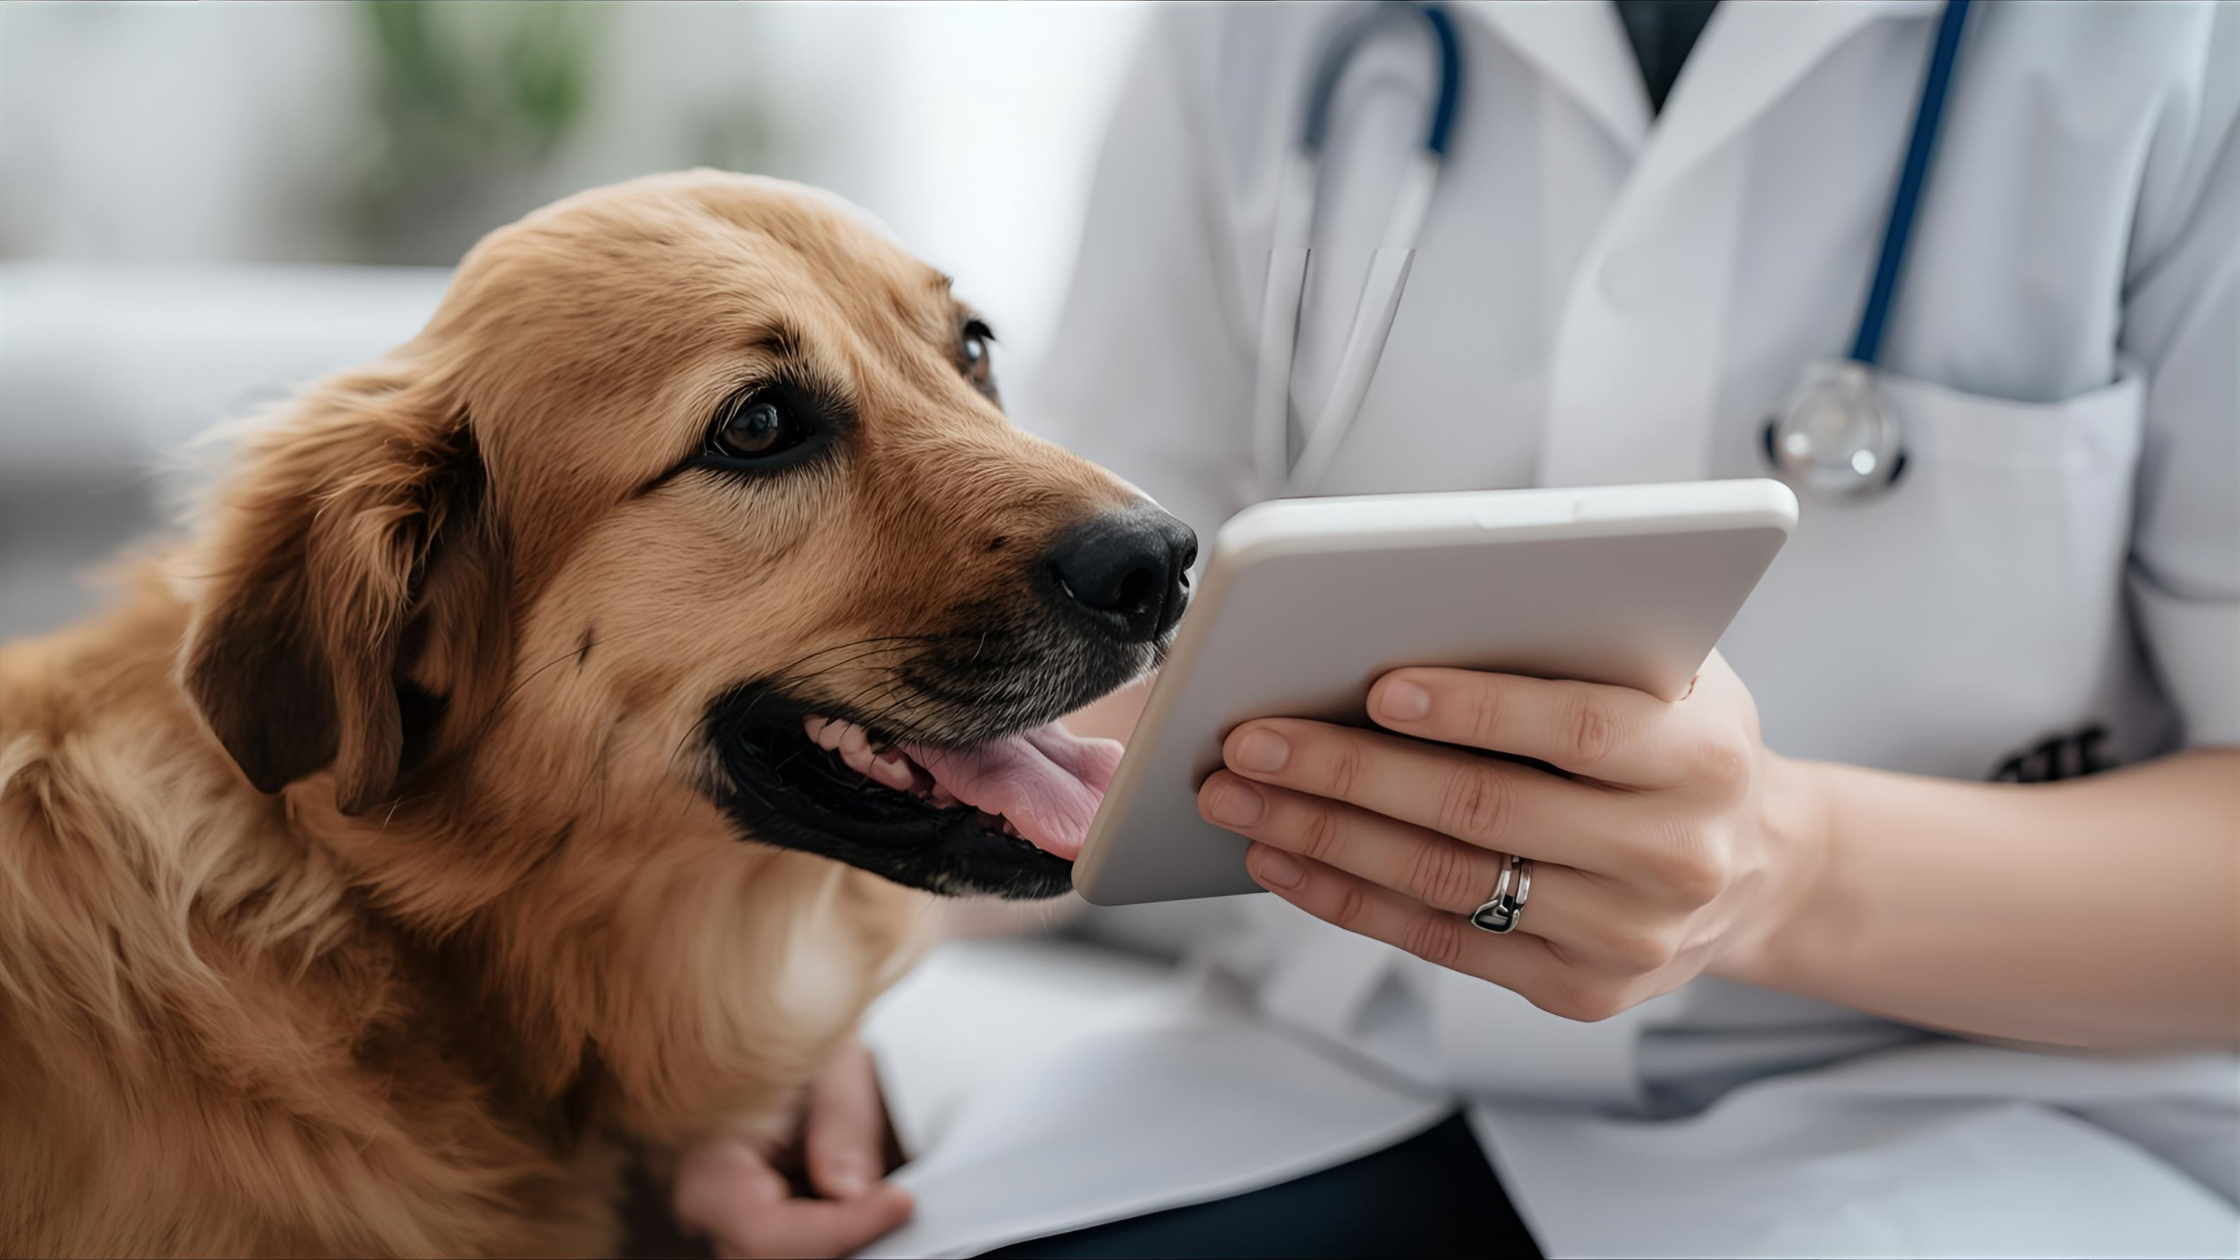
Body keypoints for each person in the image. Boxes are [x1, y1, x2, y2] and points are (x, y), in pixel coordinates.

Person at [676, 2, 2238, 1255]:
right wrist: (800, 998)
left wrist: (1793, 869)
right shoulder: (1254, 34)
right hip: (1320, 1072)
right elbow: (1058, 678)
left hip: (2002, 1121)